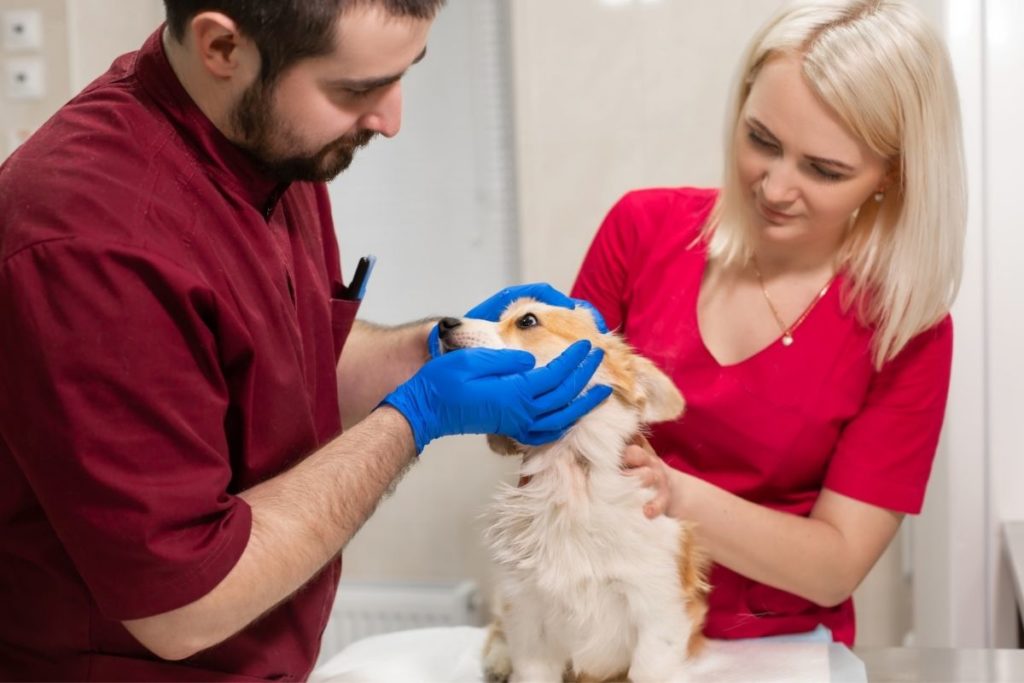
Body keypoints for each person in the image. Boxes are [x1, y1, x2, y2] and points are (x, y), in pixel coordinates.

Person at [0, 1, 613, 679]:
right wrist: (415, 418)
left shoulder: (265, 141)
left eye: (405, 74)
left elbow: (292, 363)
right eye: (355, 89)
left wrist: (439, 349)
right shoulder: (89, 244)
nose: (391, 119)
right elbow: (184, 603)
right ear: (222, 48)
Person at [573, 0, 965, 647]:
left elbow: (835, 564)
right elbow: (556, 439)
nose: (776, 187)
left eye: (824, 169)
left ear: (890, 174)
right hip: (611, 621)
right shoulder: (640, 232)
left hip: (776, 648)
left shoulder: (906, 328)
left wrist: (674, 492)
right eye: (761, 140)